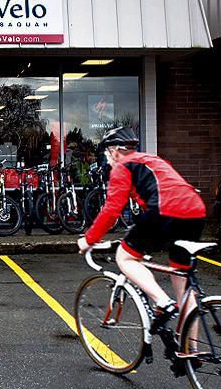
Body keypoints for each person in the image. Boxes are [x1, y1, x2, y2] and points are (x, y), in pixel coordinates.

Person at [77, 126, 207, 333]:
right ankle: (191, 354)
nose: (106, 159)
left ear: (115, 151)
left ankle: (163, 303)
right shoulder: (155, 161)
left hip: (165, 211)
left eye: (106, 153)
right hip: (196, 213)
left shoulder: (123, 166)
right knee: (182, 284)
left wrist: (89, 239)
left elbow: (111, 210)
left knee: (125, 258)